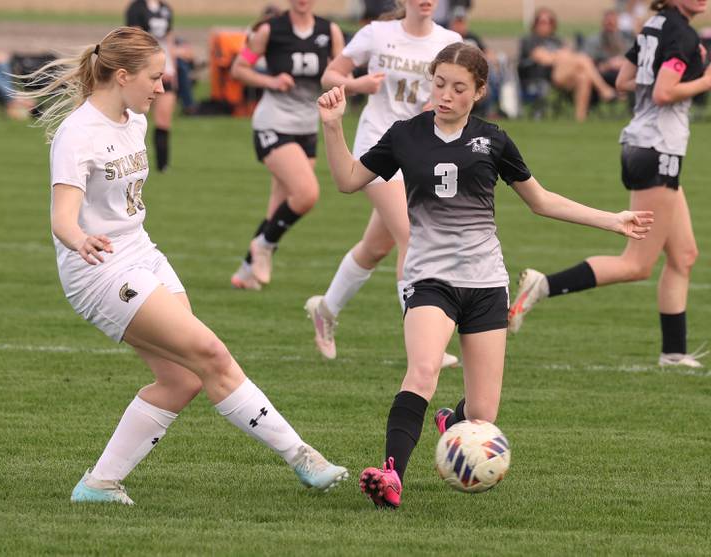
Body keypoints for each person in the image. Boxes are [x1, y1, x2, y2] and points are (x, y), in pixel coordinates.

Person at [18, 26, 348, 505]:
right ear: (123, 75)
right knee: (211, 353)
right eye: (155, 78)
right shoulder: (76, 134)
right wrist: (81, 239)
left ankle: (98, 484)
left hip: (141, 254)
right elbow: (62, 220)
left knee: (184, 378)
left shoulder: (134, 119)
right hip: (99, 270)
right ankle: (303, 457)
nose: (162, 88)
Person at [317, 42, 653, 509]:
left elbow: (541, 201)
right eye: (439, 84)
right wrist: (333, 128)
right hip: (429, 278)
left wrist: (611, 220)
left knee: (482, 415)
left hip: (486, 283)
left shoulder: (493, 139)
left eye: (458, 88)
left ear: (478, 92)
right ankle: (391, 475)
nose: (446, 95)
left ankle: (450, 421)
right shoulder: (405, 134)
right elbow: (348, 180)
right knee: (424, 369)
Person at [509, 0, 711, 369]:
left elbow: (623, 81)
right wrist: (706, 80)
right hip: (656, 150)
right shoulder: (680, 32)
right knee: (636, 264)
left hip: (644, 146)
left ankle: (673, 353)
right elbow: (665, 93)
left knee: (684, 255)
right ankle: (544, 285)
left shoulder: (653, 26)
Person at [303, 0, 462, 369]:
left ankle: (325, 311)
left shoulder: (450, 40)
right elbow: (331, 75)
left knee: (376, 247)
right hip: (377, 146)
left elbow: (458, 91)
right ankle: (425, 345)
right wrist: (356, 83)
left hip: (421, 152)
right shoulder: (377, 34)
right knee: (412, 235)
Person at [228, 0, 345, 290]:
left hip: (307, 129)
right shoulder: (269, 30)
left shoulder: (330, 31)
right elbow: (239, 68)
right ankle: (264, 246)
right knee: (306, 194)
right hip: (273, 124)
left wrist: (340, 80)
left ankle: (245, 272)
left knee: (279, 207)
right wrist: (270, 80)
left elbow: (342, 74)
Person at [518, 7, 618, 122]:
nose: (546, 25)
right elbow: (543, 58)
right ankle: (604, 90)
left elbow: (567, 54)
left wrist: (559, 56)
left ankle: (580, 119)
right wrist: (560, 56)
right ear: (535, 24)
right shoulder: (531, 40)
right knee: (583, 59)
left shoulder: (556, 40)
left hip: (566, 73)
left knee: (583, 76)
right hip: (545, 76)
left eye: (550, 21)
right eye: (543, 22)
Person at [126, 0, 178, 171]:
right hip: (144, 69)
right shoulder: (136, 8)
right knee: (135, 118)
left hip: (166, 71)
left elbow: (169, 40)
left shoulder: (166, 9)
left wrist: (172, 67)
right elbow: (135, 40)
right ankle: (130, 162)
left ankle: (163, 166)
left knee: (164, 120)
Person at [583, 10, 635, 88]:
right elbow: (588, 60)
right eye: (607, 21)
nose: (610, 23)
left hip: (623, 69)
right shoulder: (594, 40)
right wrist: (607, 65)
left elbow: (635, 56)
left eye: (613, 21)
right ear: (603, 23)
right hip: (603, 72)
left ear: (618, 22)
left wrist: (622, 62)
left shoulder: (627, 39)